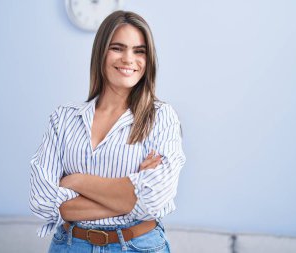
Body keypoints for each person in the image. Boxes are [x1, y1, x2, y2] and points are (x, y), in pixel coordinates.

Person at [29, 10, 186, 253]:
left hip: (138, 246)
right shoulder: (64, 118)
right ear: (101, 52)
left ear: (149, 58)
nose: (128, 59)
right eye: (117, 48)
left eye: (139, 50)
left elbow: (156, 199)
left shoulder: (161, 117)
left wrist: (77, 181)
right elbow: (44, 203)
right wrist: (130, 197)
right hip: (71, 246)